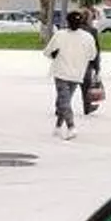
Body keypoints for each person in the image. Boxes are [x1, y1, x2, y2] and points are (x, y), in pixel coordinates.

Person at [44, 10, 99, 140]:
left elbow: (47, 52)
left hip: (61, 72)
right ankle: (58, 126)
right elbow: (93, 55)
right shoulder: (88, 37)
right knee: (65, 101)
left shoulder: (60, 35)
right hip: (77, 73)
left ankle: (71, 126)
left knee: (64, 101)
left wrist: (54, 55)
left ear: (67, 22)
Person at [77, 11, 104, 115]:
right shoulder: (92, 31)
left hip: (72, 60)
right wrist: (97, 67)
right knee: (86, 85)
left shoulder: (72, 29)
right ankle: (87, 107)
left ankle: (61, 106)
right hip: (87, 62)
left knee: (68, 85)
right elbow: (96, 49)